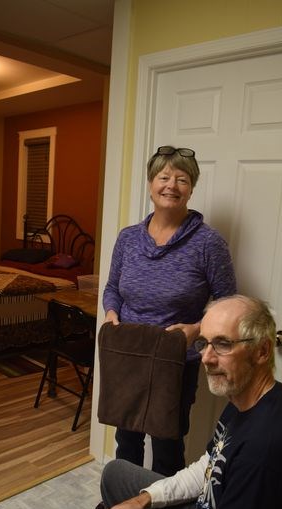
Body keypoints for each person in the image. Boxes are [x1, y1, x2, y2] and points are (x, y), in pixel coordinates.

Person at [60, 295, 282, 509]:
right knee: (116, 473)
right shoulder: (246, 398)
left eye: (222, 344)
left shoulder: (267, 447)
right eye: (204, 343)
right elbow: (209, 466)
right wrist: (144, 500)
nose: (207, 358)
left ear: (262, 350)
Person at [102, 145, 236, 476]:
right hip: (129, 353)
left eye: (182, 179)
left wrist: (196, 330)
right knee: (127, 438)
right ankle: (123, 503)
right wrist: (110, 313)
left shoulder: (208, 243)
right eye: (164, 177)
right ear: (150, 184)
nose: (171, 186)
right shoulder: (128, 238)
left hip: (175, 359)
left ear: (191, 188)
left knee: (167, 444)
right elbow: (112, 289)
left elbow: (227, 303)